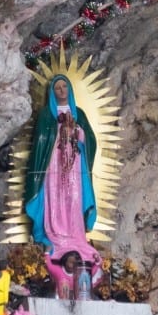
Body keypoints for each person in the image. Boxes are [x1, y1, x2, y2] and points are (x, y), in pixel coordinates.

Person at [24, 75, 101, 279]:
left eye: (64, 86)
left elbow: (91, 141)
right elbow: (41, 141)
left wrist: (77, 132)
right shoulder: (46, 116)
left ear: (70, 89)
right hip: (54, 168)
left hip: (74, 167)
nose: (61, 90)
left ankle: (75, 235)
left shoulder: (80, 115)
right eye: (57, 88)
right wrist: (59, 133)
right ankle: (55, 234)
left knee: (74, 200)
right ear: (52, 92)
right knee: (55, 199)